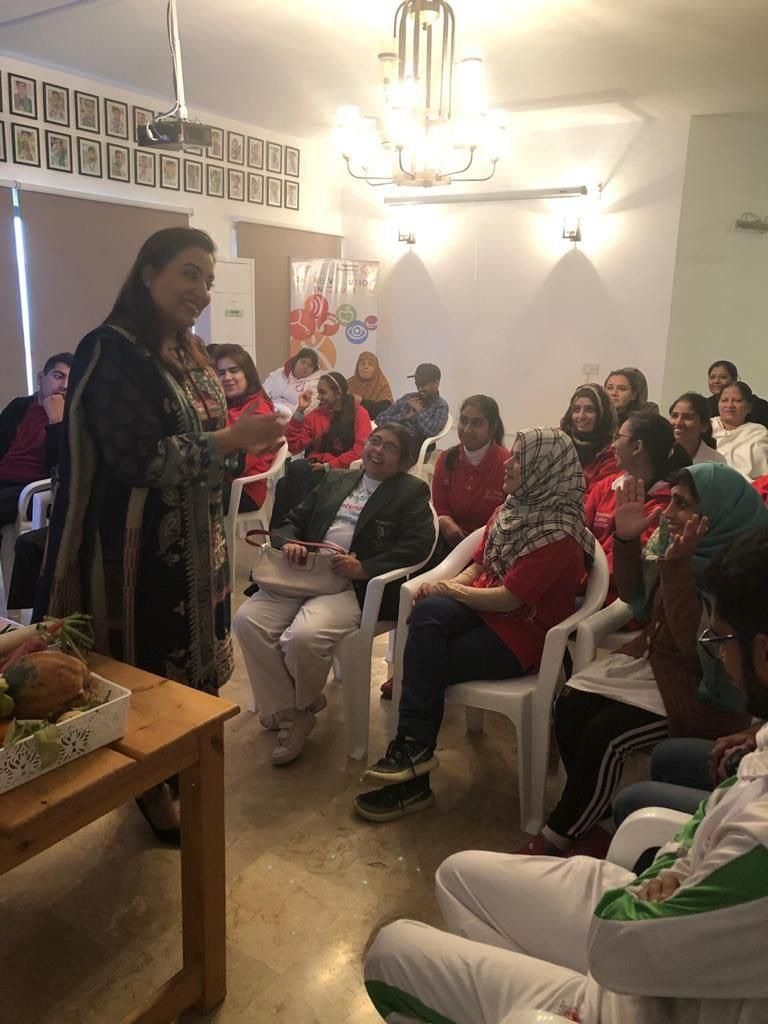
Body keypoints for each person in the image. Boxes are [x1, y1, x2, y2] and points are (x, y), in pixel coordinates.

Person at [365, 520, 768, 1024]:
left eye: (722, 639)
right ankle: (548, 985)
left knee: (389, 956)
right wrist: (669, 876)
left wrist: (659, 886)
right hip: (655, 942)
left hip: (655, 1000)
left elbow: (627, 939)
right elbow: (699, 832)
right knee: (456, 874)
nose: (720, 653)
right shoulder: (759, 750)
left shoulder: (760, 842)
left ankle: (558, 1000)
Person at [37, 228, 283, 841]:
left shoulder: (189, 351)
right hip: (137, 552)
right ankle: (150, 784)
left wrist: (244, 443)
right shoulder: (110, 350)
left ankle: (178, 771)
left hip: (199, 542)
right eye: (189, 274)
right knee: (147, 672)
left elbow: (209, 438)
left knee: (193, 675)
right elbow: (137, 459)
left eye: (208, 280)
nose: (201, 291)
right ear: (148, 273)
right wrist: (231, 442)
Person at [518, 463, 766, 858]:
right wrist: (627, 540)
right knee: (570, 703)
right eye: (671, 502)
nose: (668, 514)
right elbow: (637, 596)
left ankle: (560, 834)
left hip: (703, 688)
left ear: (717, 512)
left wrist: (678, 567)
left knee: (609, 734)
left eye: (682, 505)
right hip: (658, 664)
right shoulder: (679, 542)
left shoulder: (743, 571)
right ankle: (592, 815)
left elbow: (696, 646)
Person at [355, 428, 595, 822]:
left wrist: (451, 591)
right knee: (428, 616)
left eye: (519, 458)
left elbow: (509, 599)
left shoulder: (559, 533)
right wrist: (449, 587)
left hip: (520, 634)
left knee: (424, 659)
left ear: (543, 468)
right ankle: (414, 755)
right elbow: (480, 567)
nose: (509, 463)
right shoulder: (511, 510)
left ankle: (411, 769)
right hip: (483, 611)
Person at [233, 423, 435, 765]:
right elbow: (290, 520)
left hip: (351, 586)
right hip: (305, 574)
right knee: (247, 620)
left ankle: (292, 709)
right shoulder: (337, 479)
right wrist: (291, 543)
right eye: (374, 440)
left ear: (403, 461)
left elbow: (418, 546)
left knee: (304, 638)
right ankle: (297, 710)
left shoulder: (410, 491)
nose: (377, 450)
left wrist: (366, 567)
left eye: (389, 447)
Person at [585, 411, 689, 576]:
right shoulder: (605, 486)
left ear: (637, 447)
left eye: (618, 437)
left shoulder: (667, 504)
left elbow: (634, 564)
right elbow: (580, 533)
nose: (612, 445)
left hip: (617, 591)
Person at [272, 372, 373, 522]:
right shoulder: (316, 415)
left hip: (343, 472)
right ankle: (288, 531)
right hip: (315, 467)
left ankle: (291, 528)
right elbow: (294, 445)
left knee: (292, 474)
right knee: (284, 482)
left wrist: (328, 466)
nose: (318, 397)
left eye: (323, 392)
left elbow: (360, 450)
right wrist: (299, 412)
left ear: (338, 393)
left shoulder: (359, 413)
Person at [0, 353, 72, 529]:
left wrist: (56, 422)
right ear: (41, 378)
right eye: (58, 376)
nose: (64, 386)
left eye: (71, 380)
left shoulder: (70, 419)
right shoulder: (19, 406)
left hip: (31, 489)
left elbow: (61, 470)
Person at [431, 395, 509, 554]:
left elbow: (509, 516)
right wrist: (446, 522)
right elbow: (440, 506)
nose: (466, 429)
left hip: (491, 547)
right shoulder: (446, 459)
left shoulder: (507, 464)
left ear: (492, 428)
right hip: (449, 540)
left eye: (477, 423)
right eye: (464, 420)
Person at [215, 343, 277, 512]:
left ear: (247, 374)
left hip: (244, 491)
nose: (227, 377)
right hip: (224, 481)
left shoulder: (258, 410)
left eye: (234, 370)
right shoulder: (228, 404)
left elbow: (237, 467)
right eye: (221, 373)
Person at [560, 383, 618, 493]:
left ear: (603, 413)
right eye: (576, 410)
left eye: (589, 410)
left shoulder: (612, 452)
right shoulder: (560, 441)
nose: (581, 416)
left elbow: (597, 496)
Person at [376, 363, 449, 450]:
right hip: (391, 439)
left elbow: (431, 432)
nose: (420, 388)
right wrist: (404, 417)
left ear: (436, 383)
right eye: (417, 384)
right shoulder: (407, 398)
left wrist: (419, 411)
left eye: (424, 384)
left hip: (414, 447)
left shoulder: (441, 406)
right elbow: (380, 419)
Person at [711, 381, 768, 480]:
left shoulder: (757, 432)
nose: (729, 405)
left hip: (748, 489)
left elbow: (763, 473)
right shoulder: (706, 427)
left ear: (749, 407)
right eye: (724, 400)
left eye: (737, 400)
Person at [263, 347, 323, 419]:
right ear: (296, 361)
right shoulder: (280, 372)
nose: (305, 367)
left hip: (291, 420)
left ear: (313, 369)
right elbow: (263, 392)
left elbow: (307, 411)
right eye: (303, 362)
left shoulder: (315, 384)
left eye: (310, 365)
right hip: (268, 413)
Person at [668, 391, 726, 464]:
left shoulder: (716, 462)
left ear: (704, 426)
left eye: (687, 417)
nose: (678, 422)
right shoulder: (657, 453)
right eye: (674, 416)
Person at [706, 358, 768, 426]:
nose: (716, 381)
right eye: (712, 377)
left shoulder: (759, 405)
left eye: (723, 377)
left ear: (734, 379)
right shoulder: (704, 405)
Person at [346, 351, 393, 420]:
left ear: (376, 369)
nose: (366, 367)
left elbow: (385, 410)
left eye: (370, 364)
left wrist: (361, 401)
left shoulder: (382, 385)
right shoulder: (349, 384)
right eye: (362, 364)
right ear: (357, 367)